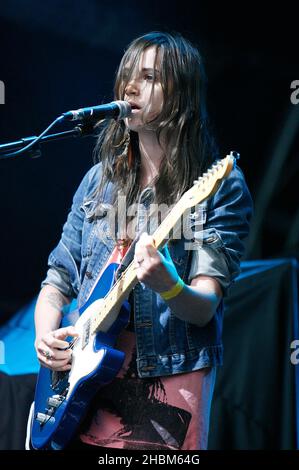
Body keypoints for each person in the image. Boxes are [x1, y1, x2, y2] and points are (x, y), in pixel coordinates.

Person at [34, 31, 253, 450]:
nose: (130, 88)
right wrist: (45, 338)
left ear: (181, 95)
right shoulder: (99, 180)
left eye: (149, 77)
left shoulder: (220, 187)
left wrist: (168, 285)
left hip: (161, 397)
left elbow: (205, 307)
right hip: (80, 388)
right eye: (128, 77)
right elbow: (56, 279)